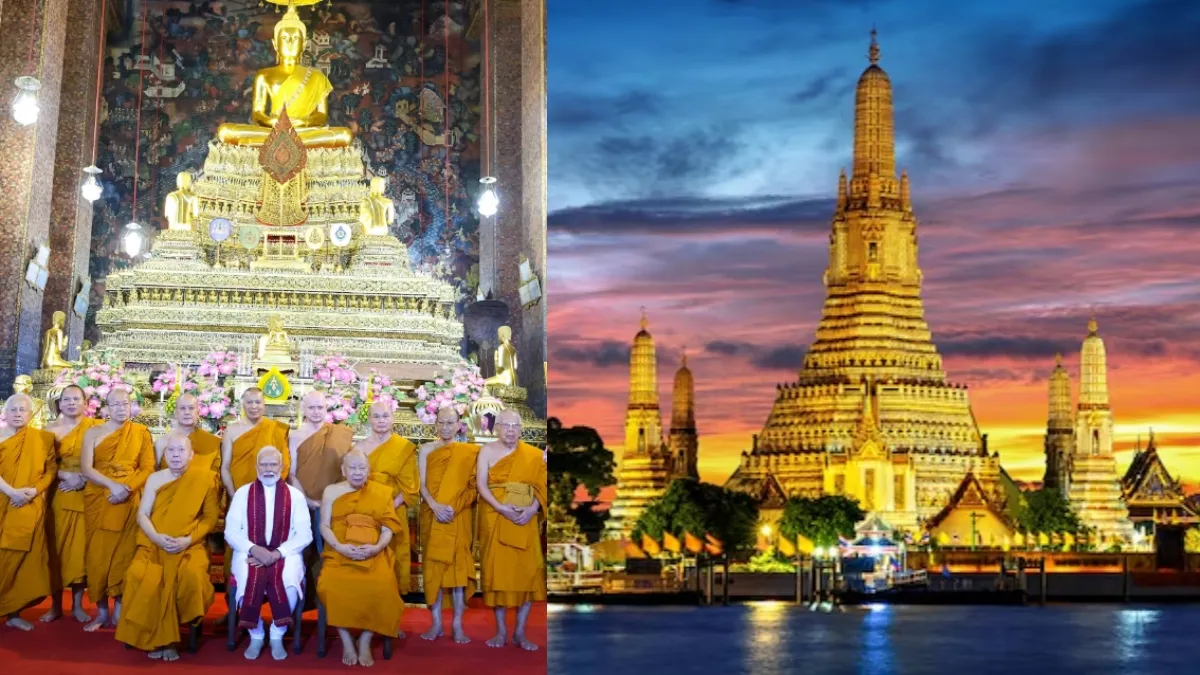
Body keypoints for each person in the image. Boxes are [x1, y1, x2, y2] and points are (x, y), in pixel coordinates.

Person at [114, 435, 219, 660]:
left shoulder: (206, 478)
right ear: (164, 454)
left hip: (189, 546)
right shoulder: (154, 479)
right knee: (137, 574)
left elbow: (210, 519)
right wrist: (156, 537)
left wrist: (187, 540)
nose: (175, 455)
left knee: (190, 576)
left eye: (181, 451)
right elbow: (142, 514)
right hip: (154, 544)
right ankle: (154, 636)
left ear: (191, 455)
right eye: (170, 451)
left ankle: (169, 640)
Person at [316, 451, 404, 666]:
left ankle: (365, 639)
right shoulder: (331, 492)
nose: (357, 472)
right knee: (330, 586)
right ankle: (346, 639)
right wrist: (340, 547)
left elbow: (387, 528)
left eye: (362, 468)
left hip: (373, 552)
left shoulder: (382, 492)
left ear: (368, 470)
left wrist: (376, 548)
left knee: (383, 586)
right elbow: (324, 525)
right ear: (343, 471)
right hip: (339, 552)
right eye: (352, 468)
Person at [225, 446, 311, 661]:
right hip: (248, 551)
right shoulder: (243, 493)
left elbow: (304, 535)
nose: (268, 469)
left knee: (289, 580)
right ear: (256, 466)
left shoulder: (296, 496)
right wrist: (254, 549)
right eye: (264, 464)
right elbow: (231, 532)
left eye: (273, 464)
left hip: (285, 553)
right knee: (246, 579)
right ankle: (256, 635)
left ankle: (276, 633)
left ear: (281, 467)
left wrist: (278, 553)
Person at [80, 387, 155, 632]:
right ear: (106, 407)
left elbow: (147, 468)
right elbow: (86, 469)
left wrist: (127, 488)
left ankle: (121, 609)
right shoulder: (93, 432)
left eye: (125, 404)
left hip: (130, 498)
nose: (121, 408)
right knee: (98, 554)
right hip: (99, 497)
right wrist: (113, 485)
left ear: (131, 406)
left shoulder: (141, 432)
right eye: (115, 404)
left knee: (126, 553)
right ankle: (101, 612)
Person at [476, 410, 545, 651]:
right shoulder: (486, 451)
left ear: (521, 429)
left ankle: (520, 632)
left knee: (526, 574)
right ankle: (501, 631)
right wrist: (500, 508)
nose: (511, 430)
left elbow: (541, 487)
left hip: (525, 519)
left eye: (516, 425)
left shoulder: (533, 455)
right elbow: (481, 485)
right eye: (506, 425)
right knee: (498, 575)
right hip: (496, 515)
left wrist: (532, 510)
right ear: (497, 428)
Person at [418, 406, 479, 643]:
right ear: (435, 424)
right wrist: (434, 505)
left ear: (458, 424)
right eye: (441, 423)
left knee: (459, 570)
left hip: (458, 515)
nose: (445, 427)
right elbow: (421, 484)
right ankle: (436, 624)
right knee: (433, 569)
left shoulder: (469, 452)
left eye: (450, 423)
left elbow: (474, 487)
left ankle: (457, 625)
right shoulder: (426, 450)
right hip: (432, 515)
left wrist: (455, 507)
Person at [40, 384, 100, 623]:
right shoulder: (49, 431)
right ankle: (55, 605)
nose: (72, 403)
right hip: (61, 493)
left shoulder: (96, 428)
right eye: (67, 399)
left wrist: (83, 478)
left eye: (77, 399)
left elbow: (102, 460)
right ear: (59, 403)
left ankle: (77, 605)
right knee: (58, 549)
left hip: (89, 492)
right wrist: (67, 477)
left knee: (80, 552)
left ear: (86, 403)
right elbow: (44, 466)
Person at [354, 401, 418, 618]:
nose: (381, 421)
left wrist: (389, 507)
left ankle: (392, 617)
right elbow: (354, 482)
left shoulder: (403, 447)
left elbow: (410, 487)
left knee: (394, 559)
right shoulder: (360, 448)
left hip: (393, 511)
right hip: (366, 513)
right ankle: (367, 614)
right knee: (369, 560)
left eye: (385, 416)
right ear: (369, 419)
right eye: (376, 416)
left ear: (392, 418)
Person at [0, 394, 58, 631]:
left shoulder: (42, 438)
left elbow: (51, 470)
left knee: (20, 561)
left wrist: (34, 490)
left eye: (22, 410)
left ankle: (13, 612)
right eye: (13, 409)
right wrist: (11, 491)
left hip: (28, 503)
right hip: (4, 500)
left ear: (30, 413)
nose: (17, 413)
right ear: (5, 411)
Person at [289, 391, 354, 512]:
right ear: (304, 409)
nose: (316, 412)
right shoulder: (295, 437)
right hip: (302, 499)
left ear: (326, 408)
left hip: (336, 499)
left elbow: (348, 469)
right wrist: (305, 500)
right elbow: (291, 474)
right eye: (311, 407)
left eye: (320, 407)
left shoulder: (339, 433)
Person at [221, 387, 290, 496]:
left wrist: (273, 492)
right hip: (238, 492)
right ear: (243, 405)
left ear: (264, 404)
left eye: (258, 402)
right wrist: (233, 495)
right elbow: (225, 466)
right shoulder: (231, 430)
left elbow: (284, 464)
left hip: (269, 493)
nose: (254, 406)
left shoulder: (275, 429)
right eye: (249, 402)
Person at [156, 393, 221, 472]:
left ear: (198, 412)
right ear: (176, 413)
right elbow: (155, 472)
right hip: (171, 484)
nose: (187, 412)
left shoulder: (213, 442)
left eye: (191, 408)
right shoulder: (162, 442)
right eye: (182, 408)